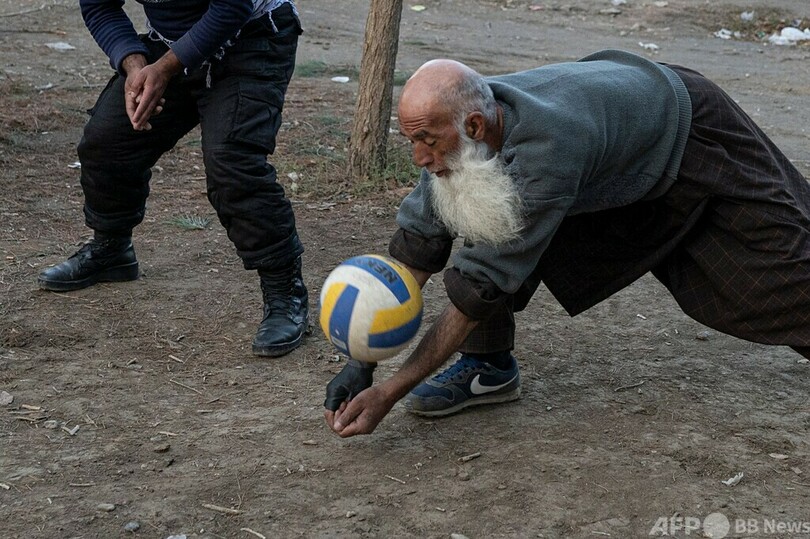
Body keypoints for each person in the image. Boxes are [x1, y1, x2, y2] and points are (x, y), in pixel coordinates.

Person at [323, 49, 810, 437]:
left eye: (426, 141)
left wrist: (391, 390)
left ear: (473, 126)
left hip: (690, 126)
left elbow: (481, 286)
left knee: (771, 278)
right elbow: (418, 245)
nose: (418, 157)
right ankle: (488, 369)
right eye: (411, 140)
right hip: (612, 142)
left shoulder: (544, 154)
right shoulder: (456, 130)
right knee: (476, 207)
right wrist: (362, 360)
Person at [38, 0, 309, 357]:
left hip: (252, 37)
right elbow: (99, 6)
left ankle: (284, 290)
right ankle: (112, 249)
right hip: (170, 42)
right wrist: (134, 64)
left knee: (232, 161)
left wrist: (164, 69)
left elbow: (232, 8)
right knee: (107, 141)